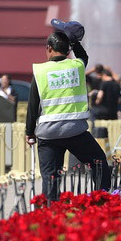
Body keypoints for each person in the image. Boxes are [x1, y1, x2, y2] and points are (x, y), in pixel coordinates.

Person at [25, 25, 111, 202]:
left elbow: (33, 105)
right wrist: (74, 39)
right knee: (99, 162)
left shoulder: (40, 71)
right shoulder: (77, 66)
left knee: (51, 175)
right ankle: (103, 200)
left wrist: (29, 132)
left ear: (49, 48)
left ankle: (51, 212)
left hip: (48, 134)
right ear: (68, 50)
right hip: (75, 131)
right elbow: (84, 56)